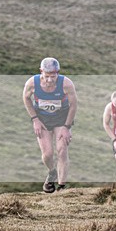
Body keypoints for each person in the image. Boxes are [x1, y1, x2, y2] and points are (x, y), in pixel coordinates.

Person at [22, 57, 78, 192]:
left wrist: (67, 127)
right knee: (47, 154)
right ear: (41, 71)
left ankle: (62, 186)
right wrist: (34, 119)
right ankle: (52, 172)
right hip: (42, 120)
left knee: (62, 150)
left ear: (58, 72)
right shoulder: (32, 83)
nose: (50, 80)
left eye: (53, 76)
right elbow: (25, 98)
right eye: (47, 76)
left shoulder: (66, 84)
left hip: (61, 119)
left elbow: (74, 104)